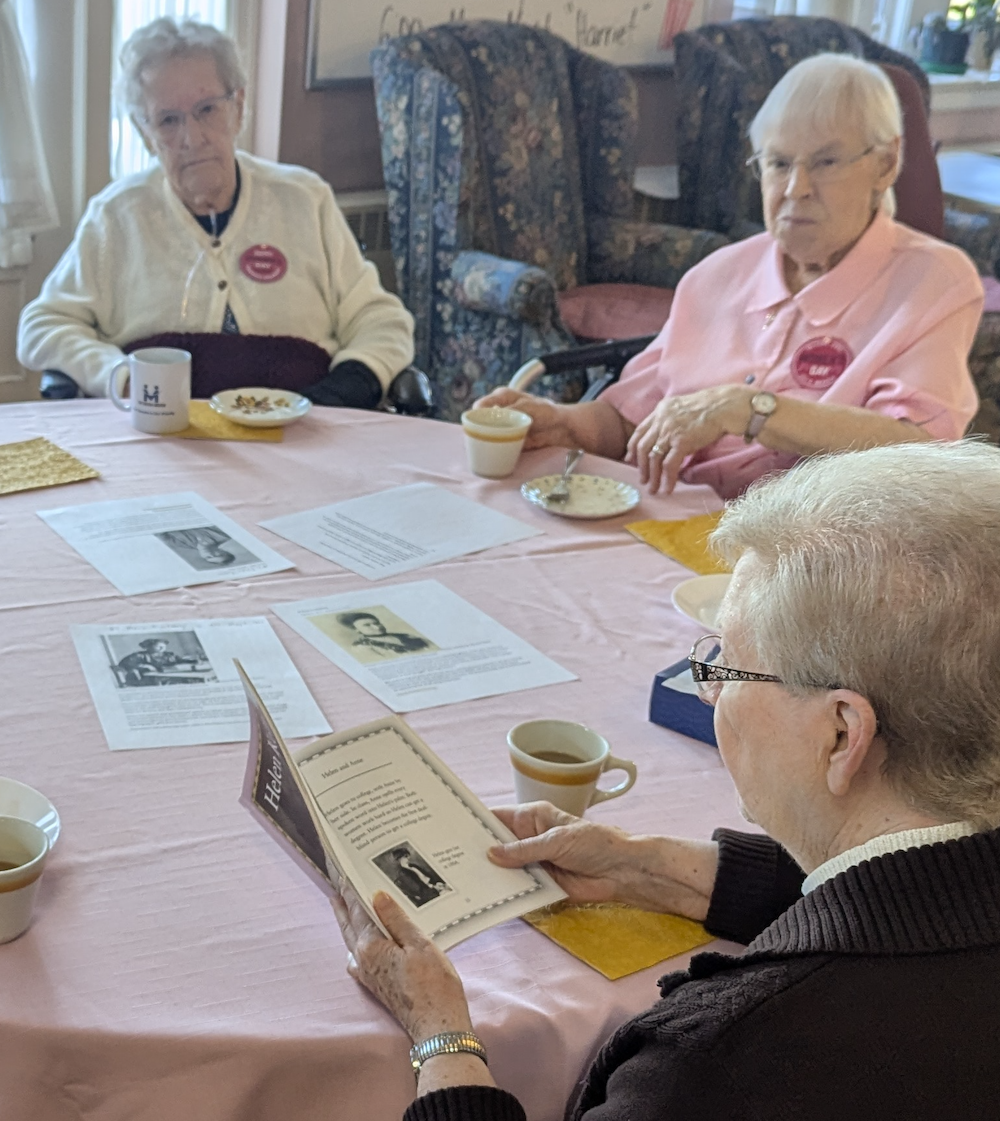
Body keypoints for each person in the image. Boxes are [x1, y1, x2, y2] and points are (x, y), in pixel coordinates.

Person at [332, 439, 1000, 1120]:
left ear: (840, 735)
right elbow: (912, 901)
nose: (708, 694)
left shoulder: (714, 1064)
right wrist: (644, 867)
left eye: (729, 666)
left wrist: (442, 1036)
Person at [479, 54, 983, 500]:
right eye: (778, 163)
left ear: (886, 163)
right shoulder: (718, 275)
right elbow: (631, 419)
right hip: (656, 525)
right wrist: (561, 423)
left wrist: (751, 410)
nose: (795, 188)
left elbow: (918, 449)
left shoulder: (931, 282)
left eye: (825, 162)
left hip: (800, 559)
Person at [16, 18, 414, 408]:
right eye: (168, 120)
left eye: (207, 109)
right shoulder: (118, 216)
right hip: (166, 441)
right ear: (144, 133)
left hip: (304, 434)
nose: (192, 138)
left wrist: (346, 388)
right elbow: (43, 326)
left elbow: (381, 320)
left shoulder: (304, 199)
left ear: (238, 107)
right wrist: (118, 375)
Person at [339, 612, 431, 658]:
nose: (376, 627)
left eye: (377, 623)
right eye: (367, 625)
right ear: (357, 630)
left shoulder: (406, 635)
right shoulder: (361, 647)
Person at [117, 638, 203, 685]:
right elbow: (123, 664)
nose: (162, 649)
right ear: (149, 647)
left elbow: (180, 660)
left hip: (172, 675)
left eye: (164, 646)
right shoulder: (140, 655)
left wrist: (193, 661)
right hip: (151, 679)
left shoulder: (169, 655)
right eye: (159, 646)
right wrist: (144, 666)